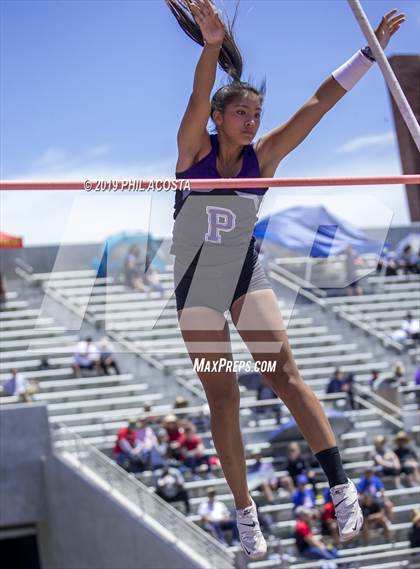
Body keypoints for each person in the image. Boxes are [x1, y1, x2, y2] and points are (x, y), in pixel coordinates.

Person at [166, 0, 404, 558]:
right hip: (197, 283)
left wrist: (370, 53)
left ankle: (339, 484)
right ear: (219, 119)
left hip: (243, 270)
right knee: (223, 397)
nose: (253, 122)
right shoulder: (191, 151)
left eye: (257, 114)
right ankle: (246, 513)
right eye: (242, 114)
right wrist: (208, 46)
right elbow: (197, 95)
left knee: (283, 374)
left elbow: (318, 103)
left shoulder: (265, 156)